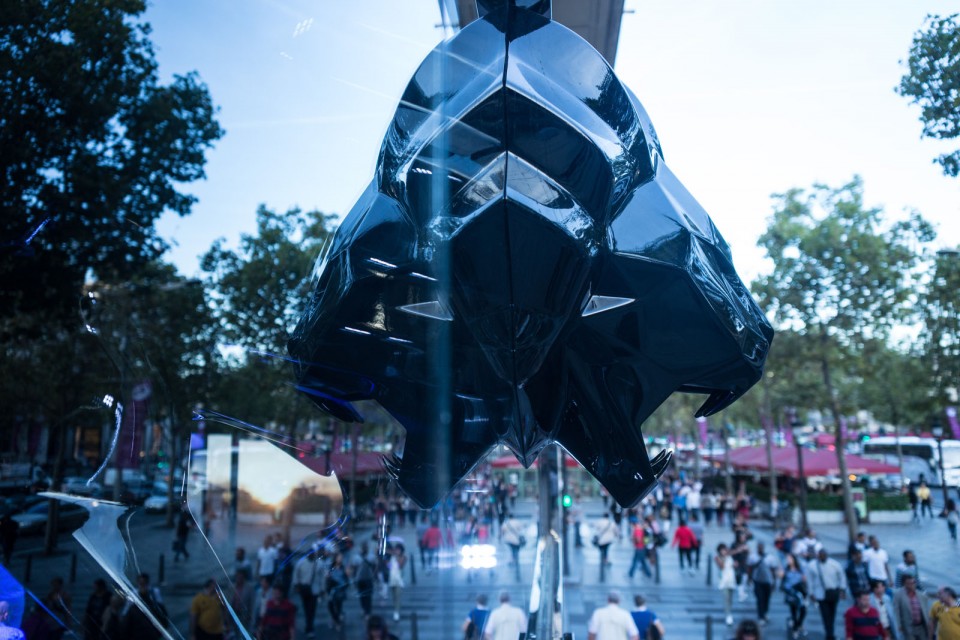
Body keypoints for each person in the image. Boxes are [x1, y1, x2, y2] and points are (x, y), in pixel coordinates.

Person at [807, 548, 848, 640]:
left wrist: (842, 589)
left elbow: (842, 577)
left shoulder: (835, 564)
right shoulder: (812, 566)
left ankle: (830, 631)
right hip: (820, 594)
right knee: (825, 615)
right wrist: (811, 593)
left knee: (832, 613)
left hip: (833, 592)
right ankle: (829, 634)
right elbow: (810, 581)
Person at [749, 542, 779, 626]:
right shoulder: (753, 557)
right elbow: (750, 568)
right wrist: (749, 579)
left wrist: (774, 582)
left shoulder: (769, 557)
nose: (760, 549)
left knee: (766, 598)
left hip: (768, 581)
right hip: (757, 581)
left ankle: (765, 612)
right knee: (759, 599)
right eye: (759, 547)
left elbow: (773, 570)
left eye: (761, 547)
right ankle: (761, 616)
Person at [892, 575, 930, 640]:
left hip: (921, 627)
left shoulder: (920, 595)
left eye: (913, 583)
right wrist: (898, 625)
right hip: (908, 628)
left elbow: (926, 610)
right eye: (909, 583)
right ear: (904, 584)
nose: (912, 585)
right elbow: (896, 611)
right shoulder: (898, 595)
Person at [292, 550, 320, 636]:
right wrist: (296, 585)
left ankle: (309, 627)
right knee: (307, 608)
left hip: (314, 590)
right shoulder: (301, 563)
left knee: (312, 609)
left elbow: (321, 577)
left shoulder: (319, 563)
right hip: (304, 589)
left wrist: (322, 588)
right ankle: (309, 625)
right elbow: (296, 574)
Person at [781, 552, 807, 639]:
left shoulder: (800, 568)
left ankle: (799, 625)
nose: (788, 560)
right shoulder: (786, 569)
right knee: (794, 612)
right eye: (787, 559)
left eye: (790, 558)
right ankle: (795, 629)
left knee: (803, 610)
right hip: (791, 593)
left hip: (800, 592)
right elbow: (783, 581)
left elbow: (804, 579)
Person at [325, 552, 350, 629]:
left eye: (341, 558)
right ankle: (335, 619)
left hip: (340, 590)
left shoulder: (343, 567)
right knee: (330, 605)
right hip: (332, 590)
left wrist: (345, 584)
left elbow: (347, 579)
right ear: (335, 558)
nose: (340, 559)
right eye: (339, 557)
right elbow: (327, 577)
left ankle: (337, 622)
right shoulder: (331, 567)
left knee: (338, 606)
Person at [353, 541, 377, 618]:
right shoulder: (357, 557)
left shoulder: (371, 556)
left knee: (368, 596)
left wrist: (373, 575)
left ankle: (368, 611)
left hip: (368, 579)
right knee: (362, 596)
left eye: (365, 547)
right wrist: (354, 578)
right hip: (360, 579)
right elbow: (354, 568)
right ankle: (364, 609)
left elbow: (375, 566)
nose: (364, 548)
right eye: (363, 547)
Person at [716, 543, 738, 627]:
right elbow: (722, 566)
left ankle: (729, 613)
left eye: (725, 550)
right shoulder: (718, 558)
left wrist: (735, 565)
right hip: (723, 582)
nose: (724, 551)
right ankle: (728, 616)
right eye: (722, 550)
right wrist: (725, 558)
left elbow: (733, 565)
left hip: (731, 581)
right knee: (726, 599)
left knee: (730, 600)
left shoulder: (730, 557)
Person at [228, 570, 255, 634]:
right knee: (235, 632)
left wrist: (251, 616)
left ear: (243, 577)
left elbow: (252, 603)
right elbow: (230, 600)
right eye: (237, 577)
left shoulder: (249, 588)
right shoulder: (232, 587)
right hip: (234, 614)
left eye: (240, 577)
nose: (239, 578)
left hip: (244, 615)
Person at [387, 544, 406, 622]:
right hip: (392, 580)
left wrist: (396, 556)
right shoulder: (392, 557)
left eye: (398, 550)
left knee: (398, 597)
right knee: (394, 597)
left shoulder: (403, 557)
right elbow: (389, 567)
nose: (397, 551)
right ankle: (396, 609)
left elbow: (400, 565)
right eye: (396, 549)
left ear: (401, 551)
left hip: (399, 581)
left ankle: (396, 613)